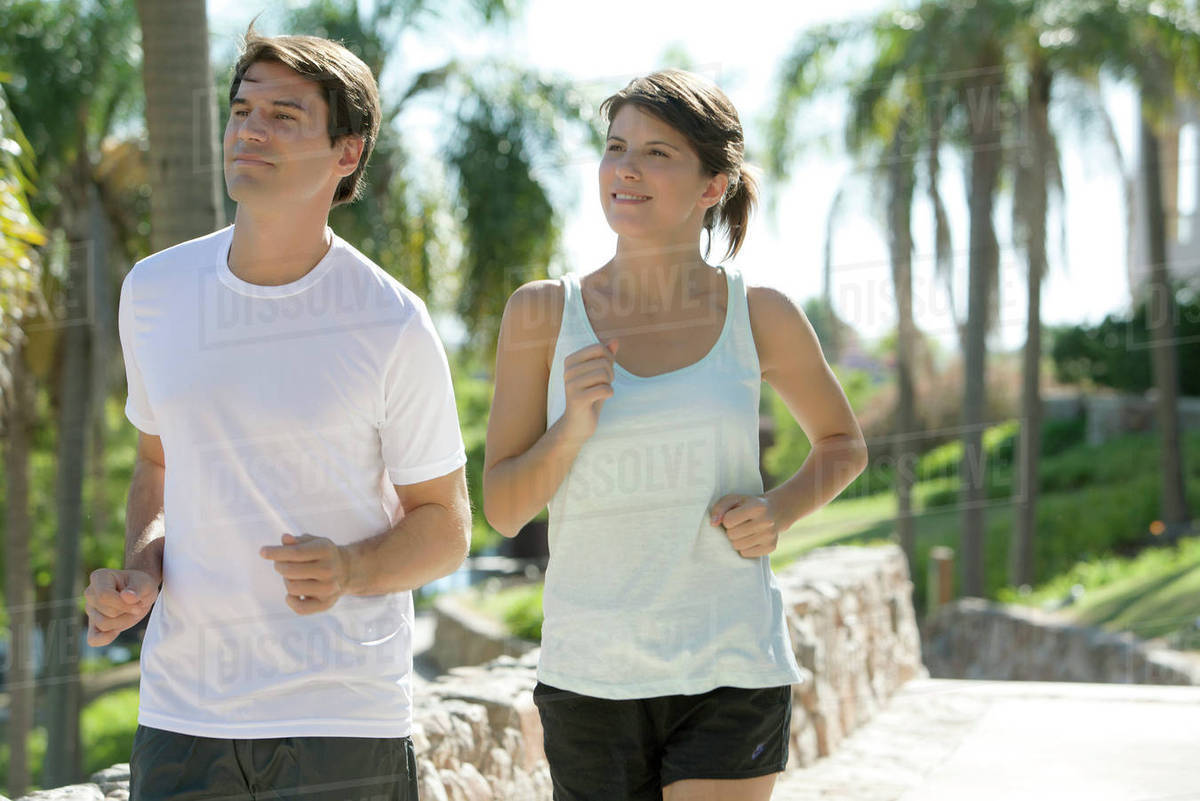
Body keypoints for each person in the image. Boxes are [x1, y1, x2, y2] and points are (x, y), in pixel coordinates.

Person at [82, 27, 470, 801]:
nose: (250, 129)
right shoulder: (154, 291)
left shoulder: (391, 321)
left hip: (342, 720)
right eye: (242, 110)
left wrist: (352, 567)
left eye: (283, 116)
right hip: (182, 714)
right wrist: (142, 566)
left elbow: (446, 526)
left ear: (347, 153)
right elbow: (159, 463)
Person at [482, 69, 869, 801]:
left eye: (657, 153)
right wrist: (571, 428)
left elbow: (842, 444)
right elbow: (503, 509)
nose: (625, 168)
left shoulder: (761, 313)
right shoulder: (540, 314)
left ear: (712, 185)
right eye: (616, 147)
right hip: (589, 673)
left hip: (731, 662)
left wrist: (779, 509)